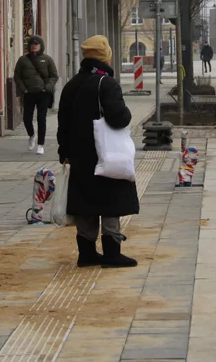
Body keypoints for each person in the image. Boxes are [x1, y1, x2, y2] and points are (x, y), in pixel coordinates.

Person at [57, 35, 139, 268]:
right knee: (111, 200)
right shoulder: (107, 84)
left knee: (85, 202)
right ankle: (112, 253)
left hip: (80, 157)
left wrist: (65, 151)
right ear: (106, 57)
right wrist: (127, 114)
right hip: (106, 155)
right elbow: (118, 118)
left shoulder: (71, 84)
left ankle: (87, 253)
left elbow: (63, 123)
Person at [13, 35, 58, 155]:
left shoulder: (47, 59)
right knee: (27, 118)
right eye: (32, 44)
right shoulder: (23, 60)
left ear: (41, 45)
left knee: (41, 119)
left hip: (43, 93)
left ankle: (40, 144)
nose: (34, 46)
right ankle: (32, 135)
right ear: (29, 46)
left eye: (36, 44)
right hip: (29, 93)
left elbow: (54, 76)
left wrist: (47, 87)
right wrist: (24, 89)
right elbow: (17, 76)